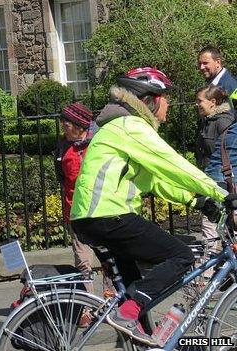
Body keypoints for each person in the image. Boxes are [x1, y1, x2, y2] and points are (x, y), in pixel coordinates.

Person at [70, 67, 233, 345]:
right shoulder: (130, 126)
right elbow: (173, 164)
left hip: (95, 218)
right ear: (151, 99)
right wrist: (221, 192)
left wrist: (198, 200)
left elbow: (155, 181)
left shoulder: (121, 127)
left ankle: (134, 333)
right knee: (180, 256)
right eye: (165, 97)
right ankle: (127, 315)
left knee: (136, 292)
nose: (168, 103)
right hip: (109, 216)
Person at [54, 102, 97, 290]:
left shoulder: (97, 144)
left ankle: (112, 300)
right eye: (62, 122)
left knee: (110, 261)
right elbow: (62, 177)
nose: (63, 125)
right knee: (82, 261)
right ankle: (88, 305)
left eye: (67, 123)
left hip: (101, 211)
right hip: (76, 211)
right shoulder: (63, 146)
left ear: (79, 126)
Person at [195, 85, 235, 252]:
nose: (196, 104)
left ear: (212, 102)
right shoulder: (209, 120)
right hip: (212, 177)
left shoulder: (223, 122)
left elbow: (228, 154)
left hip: (221, 180)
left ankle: (209, 272)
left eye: (199, 101)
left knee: (212, 226)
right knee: (218, 227)